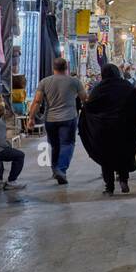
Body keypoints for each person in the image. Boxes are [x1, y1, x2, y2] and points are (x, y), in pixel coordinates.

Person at [79, 63, 136, 195]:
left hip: (104, 131)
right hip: (124, 129)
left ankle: (109, 187)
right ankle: (124, 181)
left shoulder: (99, 89)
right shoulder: (127, 87)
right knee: (123, 154)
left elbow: (89, 107)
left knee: (106, 158)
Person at [26, 56, 87, 184]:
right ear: (66, 68)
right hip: (68, 118)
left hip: (50, 119)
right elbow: (85, 99)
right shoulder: (74, 82)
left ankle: (55, 169)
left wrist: (31, 118)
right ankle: (61, 170)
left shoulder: (44, 82)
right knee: (67, 144)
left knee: (55, 146)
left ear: (53, 68)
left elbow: (37, 101)